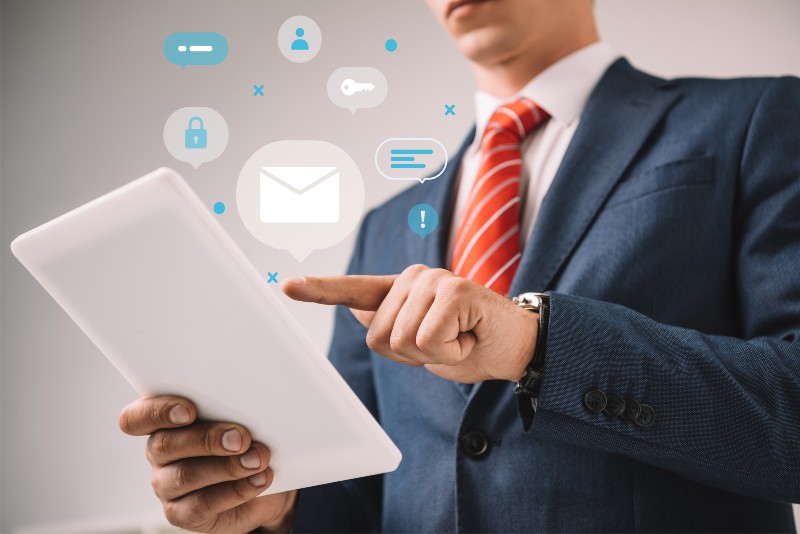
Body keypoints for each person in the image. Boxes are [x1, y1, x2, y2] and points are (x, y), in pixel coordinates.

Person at [119, 0, 800, 532]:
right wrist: (276, 508)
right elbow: (366, 496)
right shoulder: (385, 226)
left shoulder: (756, 118)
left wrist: (535, 342)